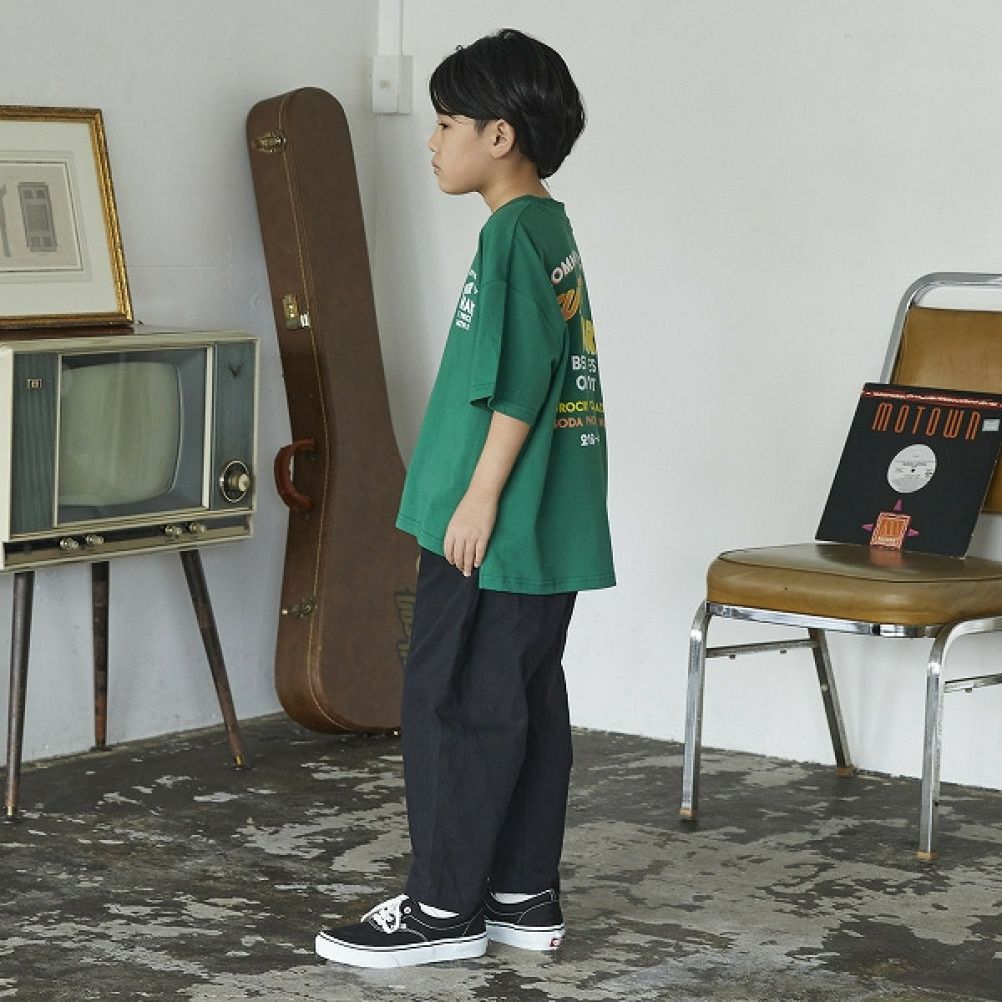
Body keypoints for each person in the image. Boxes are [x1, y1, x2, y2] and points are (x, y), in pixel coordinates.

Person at [315, 27, 615, 969]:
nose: (432, 140)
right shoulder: (548, 228)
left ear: (499, 135)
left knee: (450, 702)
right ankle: (521, 892)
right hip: (544, 531)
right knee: (520, 702)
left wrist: (478, 500)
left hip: (492, 529)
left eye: (446, 122)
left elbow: (519, 386)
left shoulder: (511, 233)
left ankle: (442, 908)